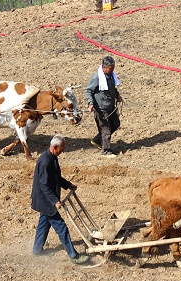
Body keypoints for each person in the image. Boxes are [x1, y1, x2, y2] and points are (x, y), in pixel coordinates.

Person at [31, 135, 89, 264]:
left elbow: (56, 177)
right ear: (55, 147)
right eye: (61, 148)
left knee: (43, 225)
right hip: (45, 200)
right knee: (61, 227)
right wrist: (54, 201)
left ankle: (37, 250)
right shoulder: (45, 161)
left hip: (46, 200)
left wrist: (68, 185)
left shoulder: (52, 158)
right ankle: (74, 256)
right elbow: (44, 185)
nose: (63, 151)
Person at [84, 56, 123, 158]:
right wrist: (90, 103)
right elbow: (88, 91)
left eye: (113, 68)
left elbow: (112, 89)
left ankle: (97, 140)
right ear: (104, 67)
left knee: (116, 124)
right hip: (101, 110)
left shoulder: (111, 76)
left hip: (111, 107)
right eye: (111, 68)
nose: (113, 70)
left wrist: (117, 95)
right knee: (105, 131)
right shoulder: (96, 77)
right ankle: (106, 150)